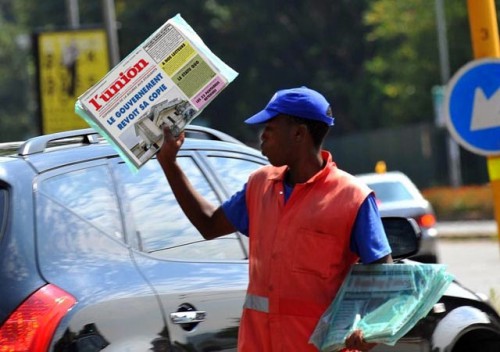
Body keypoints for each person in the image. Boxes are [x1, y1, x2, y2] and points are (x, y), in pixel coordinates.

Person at [157, 86, 392, 351]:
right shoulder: (260, 185)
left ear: (298, 133)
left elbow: (384, 274)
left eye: (270, 127)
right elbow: (209, 223)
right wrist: (169, 163)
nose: (262, 136)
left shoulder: (352, 197)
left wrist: (370, 329)